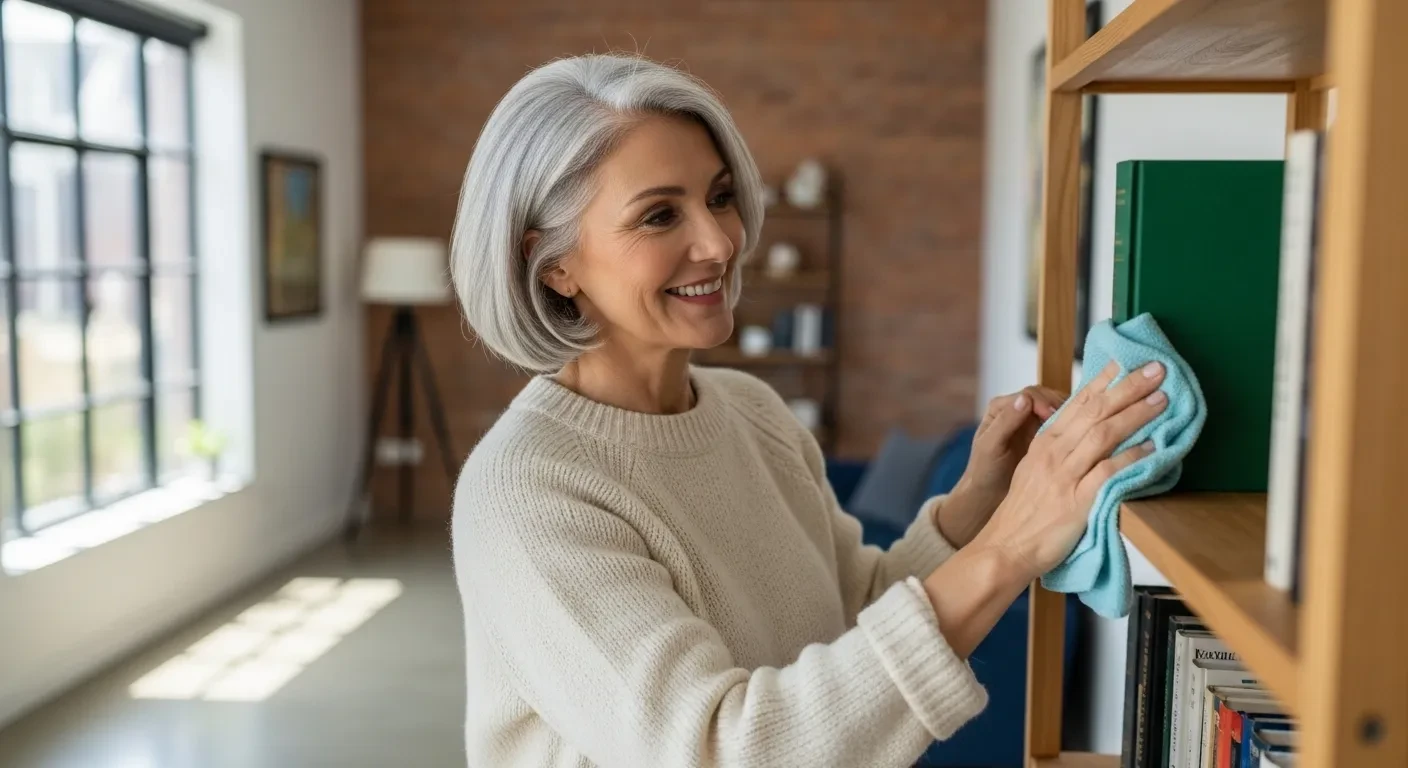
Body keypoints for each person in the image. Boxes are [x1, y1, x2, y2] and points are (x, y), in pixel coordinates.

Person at [449, 53, 1166, 767]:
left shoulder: (753, 411)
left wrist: (980, 499)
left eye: (720, 197)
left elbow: (854, 613)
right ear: (554, 264)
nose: (719, 242)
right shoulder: (527, 491)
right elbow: (721, 751)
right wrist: (1010, 546)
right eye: (660, 215)